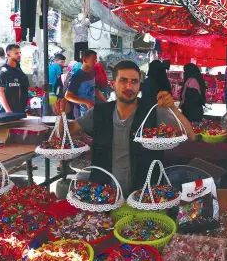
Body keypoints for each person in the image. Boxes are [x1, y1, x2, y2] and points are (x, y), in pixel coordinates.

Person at [52, 60, 197, 196]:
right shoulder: (98, 113)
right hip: (104, 195)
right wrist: (61, 114)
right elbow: (66, 132)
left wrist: (173, 108)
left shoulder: (153, 111)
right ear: (113, 84)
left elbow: (191, 135)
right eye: (123, 81)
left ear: (140, 85)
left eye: (134, 81)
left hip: (145, 196)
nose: (129, 87)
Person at [65, 49, 103, 118]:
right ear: (85, 60)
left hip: (91, 111)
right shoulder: (77, 76)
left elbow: (97, 91)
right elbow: (68, 96)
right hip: (80, 113)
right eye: (94, 59)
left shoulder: (92, 73)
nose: (96, 62)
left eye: (96, 60)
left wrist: (106, 103)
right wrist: (86, 102)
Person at [0, 44, 30, 114]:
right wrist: (8, 111)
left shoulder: (19, 72)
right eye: (16, 53)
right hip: (3, 110)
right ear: (8, 54)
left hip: (16, 109)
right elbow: (0, 92)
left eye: (20, 53)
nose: (19, 55)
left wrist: (20, 107)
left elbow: (19, 89)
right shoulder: (3, 71)